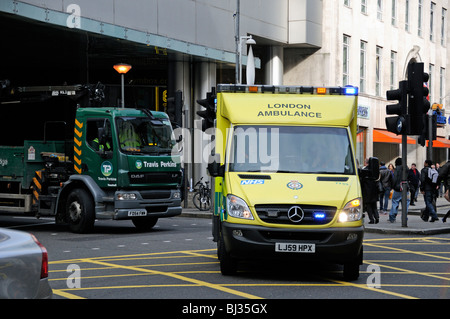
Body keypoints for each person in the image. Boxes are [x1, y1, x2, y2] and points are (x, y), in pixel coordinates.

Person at [389, 157, 409, 223]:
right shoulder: (406, 168)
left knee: (395, 202)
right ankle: (404, 217)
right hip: (405, 188)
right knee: (406, 204)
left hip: (398, 188)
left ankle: (393, 215)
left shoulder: (397, 169)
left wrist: (393, 186)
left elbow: (394, 179)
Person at [360, 158, 379, 224]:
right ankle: (377, 217)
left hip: (366, 191)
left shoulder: (364, 171)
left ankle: (371, 219)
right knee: (374, 205)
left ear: (366, 163)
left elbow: (361, 181)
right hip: (374, 191)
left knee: (368, 206)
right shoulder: (375, 171)